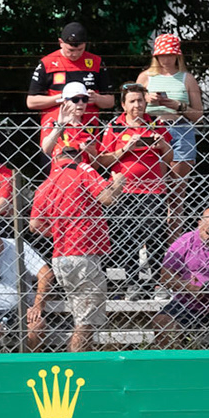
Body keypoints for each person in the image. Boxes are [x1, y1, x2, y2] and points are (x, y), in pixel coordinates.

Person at [28, 145, 128, 351]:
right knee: (85, 322)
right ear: (78, 157)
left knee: (81, 316)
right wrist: (118, 183)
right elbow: (107, 198)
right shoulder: (81, 168)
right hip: (84, 254)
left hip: (61, 256)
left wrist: (59, 230)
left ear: (55, 158)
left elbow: (35, 225)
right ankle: (76, 362)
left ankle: (78, 359)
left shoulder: (46, 182)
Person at [98, 84, 174, 295]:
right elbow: (103, 160)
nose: (137, 105)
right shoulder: (115, 126)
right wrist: (126, 149)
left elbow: (170, 158)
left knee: (155, 236)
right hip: (124, 191)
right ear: (123, 105)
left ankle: (157, 283)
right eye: (132, 101)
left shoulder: (156, 124)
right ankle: (132, 282)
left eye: (140, 100)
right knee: (127, 238)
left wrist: (163, 145)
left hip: (153, 190)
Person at [152, 205, 209, 348]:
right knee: (162, 321)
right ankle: (174, 359)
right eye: (208, 232)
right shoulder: (185, 241)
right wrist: (190, 288)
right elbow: (166, 275)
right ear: (200, 224)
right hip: (189, 302)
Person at [0, 218, 52, 349]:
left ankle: (26, 361)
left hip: (21, 309)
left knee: (36, 326)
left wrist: (37, 306)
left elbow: (46, 274)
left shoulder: (17, 247)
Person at [138, 33, 205, 180]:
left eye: (170, 55)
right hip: (153, 127)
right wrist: (146, 99)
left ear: (177, 56)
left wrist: (178, 106)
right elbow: (131, 107)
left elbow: (198, 115)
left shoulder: (188, 79)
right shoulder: (145, 77)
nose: (166, 59)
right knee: (154, 178)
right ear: (156, 57)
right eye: (162, 55)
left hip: (181, 128)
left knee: (178, 182)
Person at [24, 21, 112, 130]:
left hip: (87, 130)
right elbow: (31, 102)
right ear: (61, 43)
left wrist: (96, 98)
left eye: (80, 49)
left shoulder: (96, 63)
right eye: (70, 50)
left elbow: (110, 102)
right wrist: (62, 97)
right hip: (55, 128)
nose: (75, 54)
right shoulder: (47, 63)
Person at [40, 81, 101, 160]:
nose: (81, 103)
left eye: (84, 99)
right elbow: (46, 150)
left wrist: (92, 153)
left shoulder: (91, 126)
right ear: (65, 101)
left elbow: (97, 163)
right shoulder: (53, 123)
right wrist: (59, 126)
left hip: (85, 167)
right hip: (61, 166)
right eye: (75, 99)